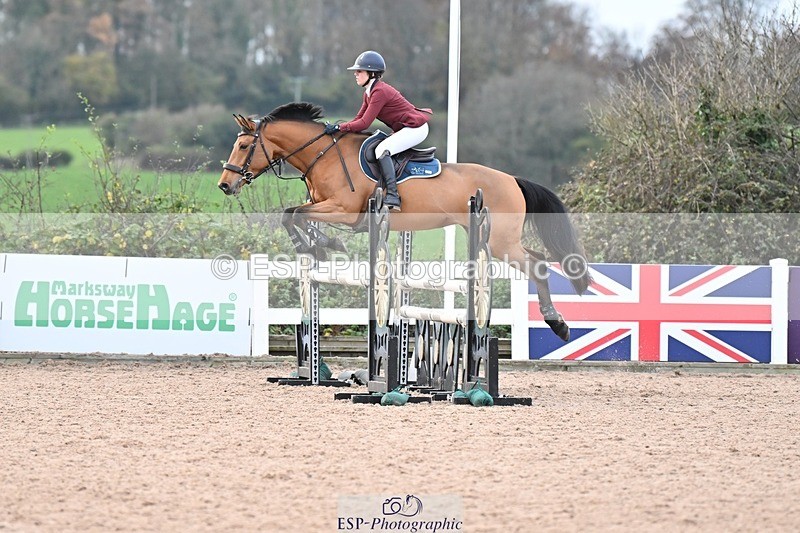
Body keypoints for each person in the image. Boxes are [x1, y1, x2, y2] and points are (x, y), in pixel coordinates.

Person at [324, 50, 431, 211]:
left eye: (359, 71)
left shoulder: (379, 92)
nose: (356, 74)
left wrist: (339, 127)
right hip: (406, 128)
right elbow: (357, 119)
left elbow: (364, 123)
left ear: (372, 73)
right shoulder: (369, 93)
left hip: (416, 128)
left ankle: (393, 197)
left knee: (382, 149)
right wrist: (339, 130)